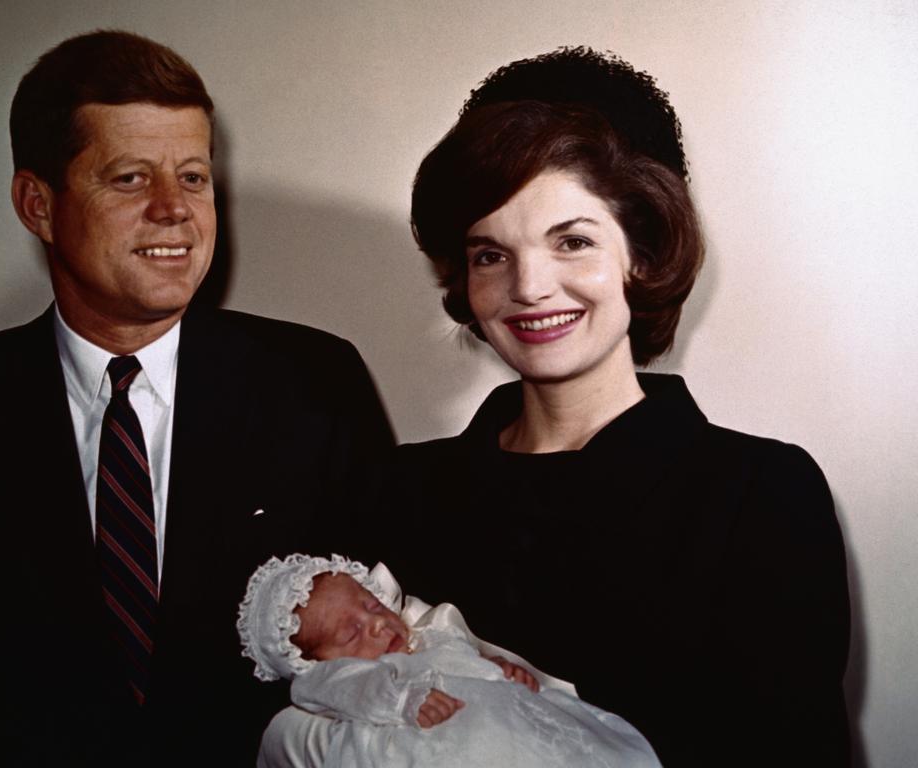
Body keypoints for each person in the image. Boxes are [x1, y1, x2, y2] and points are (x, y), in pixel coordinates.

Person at [0, 30, 393, 766]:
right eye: (130, 178)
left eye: (192, 177)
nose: (174, 210)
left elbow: (389, 656)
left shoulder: (316, 383)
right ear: (38, 204)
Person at [362, 48, 851, 767]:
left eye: (573, 241)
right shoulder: (399, 490)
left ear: (644, 254)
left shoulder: (759, 495)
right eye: (491, 254)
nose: (530, 286)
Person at [237, 554, 662, 768]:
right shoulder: (338, 679)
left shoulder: (433, 632)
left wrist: (502, 669)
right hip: (455, 743)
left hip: (518, 721)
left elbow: (476, 659)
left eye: (371, 605)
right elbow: (336, 690)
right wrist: (400, 701)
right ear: (308, 662)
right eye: (351, 632)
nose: (377, 624)